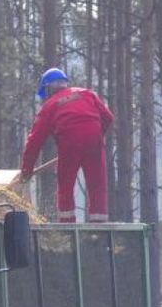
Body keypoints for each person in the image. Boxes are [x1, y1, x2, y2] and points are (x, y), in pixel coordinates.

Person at [19, 68, 115, 223]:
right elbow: (108, 117)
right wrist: (93, 137)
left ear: (48, 88)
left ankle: (67, 228)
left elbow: (34, 142)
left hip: (69, 145)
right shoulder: (87, 93)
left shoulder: (49, 106)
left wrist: (26, 171)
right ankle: (99, 229)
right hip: (94, 140)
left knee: (65, 186)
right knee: (97, 185)